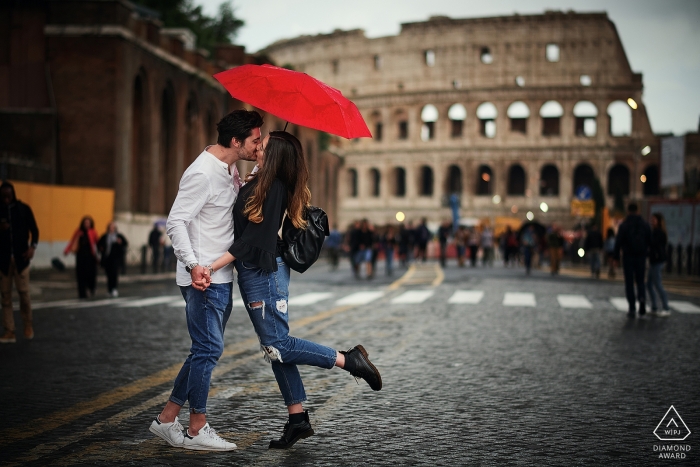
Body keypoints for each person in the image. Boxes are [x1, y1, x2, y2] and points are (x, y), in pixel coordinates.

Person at [205, 131, 382, 450]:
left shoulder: (273, 187)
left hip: (263, 271)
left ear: (274, 156)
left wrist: (212, 266)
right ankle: (297, 419)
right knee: (275, 348)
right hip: (254, 271)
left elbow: (253, 240)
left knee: (278, 344)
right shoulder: (263, 180)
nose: (258, 146)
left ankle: (348, 359)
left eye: (264, 144)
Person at [148, 109, 263, 452]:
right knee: (209, 349)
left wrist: (256, 172)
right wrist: (194, 264)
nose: (258, 144)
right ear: (235, 141)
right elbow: (175, 222)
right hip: (203, 278)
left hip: (222, 275)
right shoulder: (201, 173)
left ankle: (166, 420)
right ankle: (197, 428)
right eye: (255, 140)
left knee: (202, 350)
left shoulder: (228, 168)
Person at [0, 181, 39, 343]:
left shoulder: (23, 209)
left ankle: (28, 325)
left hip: (22, 259)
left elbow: (35, 230)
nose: (6, 199)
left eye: (8, 196)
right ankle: (10, 330)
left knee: (24, 294)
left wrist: (32, 247)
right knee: (5, 297)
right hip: (3, 261)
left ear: (13, 194)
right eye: (3, 197)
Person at [614, 203, 652, 319]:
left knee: (629, 282)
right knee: (640, 281)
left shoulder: (624, 225)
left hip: (628, 256)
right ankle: (642, 300)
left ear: (628, 211)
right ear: (638, 211)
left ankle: (632, 307)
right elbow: (650, 240)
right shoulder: (645, 224)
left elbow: (618, 242)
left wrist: (616, 257)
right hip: (641, 256)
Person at [64, 216, 98, 298]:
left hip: (90, 257)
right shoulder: (78, 232)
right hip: (80, 256)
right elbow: (72, 241)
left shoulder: (93, 232)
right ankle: (82, 293)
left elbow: (97, 242)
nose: (87, 224)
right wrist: (67, 250)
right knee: (80, 275)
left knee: (91, 274)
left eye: (88, 223)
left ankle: (91, 288)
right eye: (85, 223)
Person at [647, 213, 671, 317]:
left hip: (657, 261)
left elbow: (653, 244)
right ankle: (654, 307)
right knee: (649, 284)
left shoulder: (659, 233)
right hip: (654, 261)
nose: (652, 221)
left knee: (657, 284)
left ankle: (666, 308)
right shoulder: (655, 232)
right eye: (651, 219)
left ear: (659, 221)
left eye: (654, 219)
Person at [97, 222, 128, 297]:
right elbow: (99, 244)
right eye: (110, 227)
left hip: (116, 258)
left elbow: (125, 244)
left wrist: (119, 243)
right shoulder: (105, 236)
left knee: (114, 274)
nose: (111, 228)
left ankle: (114, 289)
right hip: (107, 258)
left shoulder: (119, 236)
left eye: (113, 227)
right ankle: (109, 289)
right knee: (108, 274)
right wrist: (101, 249)